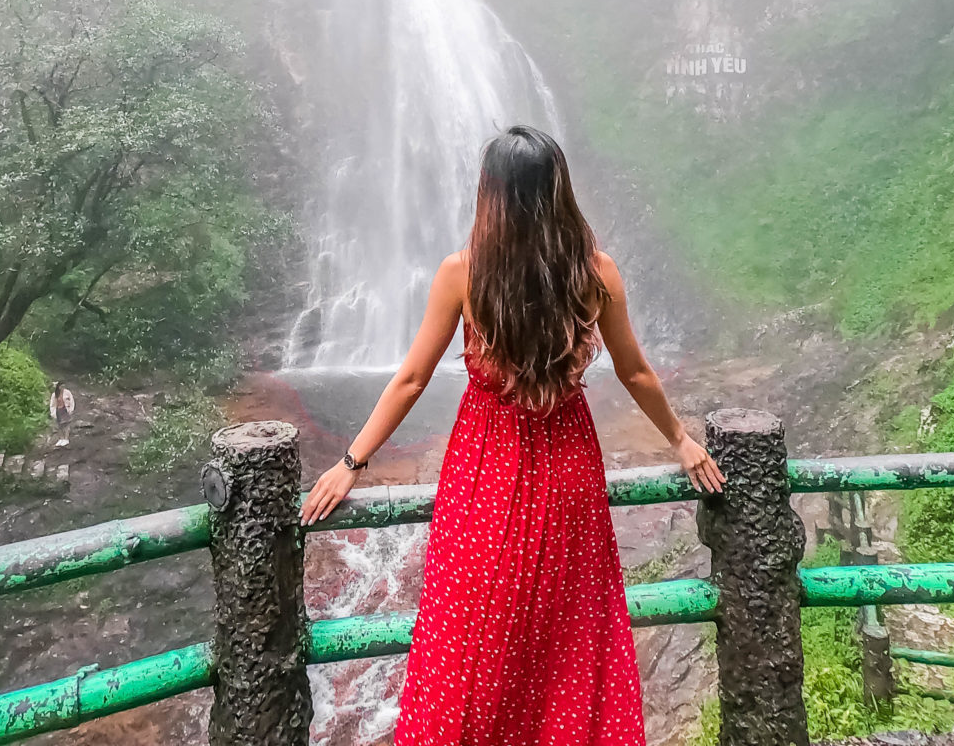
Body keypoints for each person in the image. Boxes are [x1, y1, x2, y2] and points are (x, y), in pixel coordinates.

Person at [302, 125, 723, 746]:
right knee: (570, 636)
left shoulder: (462, 274)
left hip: (484, 471)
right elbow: (634, 370)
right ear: (559, 192)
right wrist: (681, 441)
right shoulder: (595, 273)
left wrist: (351, 461)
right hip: (567, 468)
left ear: (490, 196)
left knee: (472, 635)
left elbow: (413, 378)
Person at [49, 381, 75, 447]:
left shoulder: (67, 392)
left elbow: (72, 401)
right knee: (59, 425)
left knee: (66, 425)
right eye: (61, 386)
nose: (63, 388)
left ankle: (66, 439)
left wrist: (71, 409)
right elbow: (52, 404)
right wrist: (53, 412)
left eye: (64, 386)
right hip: (58, 410)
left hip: (65, 410)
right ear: (58, 386)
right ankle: (61, 438)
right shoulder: (54, 394)